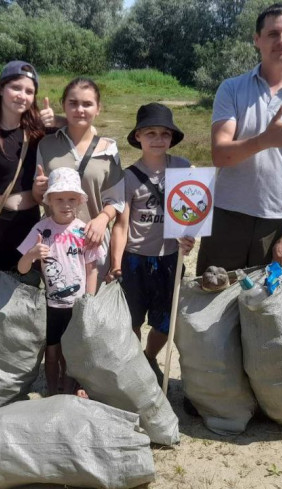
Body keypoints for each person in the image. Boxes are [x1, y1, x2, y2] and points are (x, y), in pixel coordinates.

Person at [198, 2, 282, 274]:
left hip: (276, 221)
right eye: (272, 34)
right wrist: (264, 140)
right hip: (226, 215)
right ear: (257, 40)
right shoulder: (231, 89)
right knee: (212, 296)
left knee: (264, 299)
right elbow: (220, 154)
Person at [107, 103, 195, 386]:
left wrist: (190, 235)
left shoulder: (183, 167)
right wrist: (116, 264)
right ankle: (135, 363)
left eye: (164, 133)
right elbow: (121, 225)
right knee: (131, 320)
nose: (158, 139)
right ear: (138, 137)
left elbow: (194, 210)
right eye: (151, 133)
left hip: (170, 258)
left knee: (166, 321)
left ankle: (149, 356)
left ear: (172, 137)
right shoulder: (128, 177)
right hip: (135, 259)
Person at [0, 61, 61, 284]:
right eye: (16, 88)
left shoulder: (37, 129)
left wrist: (58, 120)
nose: (22, 96)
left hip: (30, 223)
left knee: (29, 292)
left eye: (29, 91)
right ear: (1, 89)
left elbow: (85, 129)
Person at [17, 167, 101, 397]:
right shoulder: (41, 229)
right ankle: (53, 391)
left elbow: (92, 269)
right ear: (49, 201)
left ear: (80, 201)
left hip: (77, 305)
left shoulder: (84, 231)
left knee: (72, 352)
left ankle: (70, 389)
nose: (66, 205)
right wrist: (32, 254)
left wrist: (88, 302)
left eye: (71, 199)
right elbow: (22, 269)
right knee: (52, 352)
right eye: (59, 199)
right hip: (51, 306)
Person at [33, 77, 124, 283]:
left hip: (94, 242)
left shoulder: (109, 149)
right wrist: (37, 190)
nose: (80, 110)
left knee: (92, 301)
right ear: (63, 105)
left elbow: (116, 199)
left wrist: (102, 219)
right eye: (73, 103)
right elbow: (40, 198)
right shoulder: (46, 145)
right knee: (58, 299)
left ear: (98, 108)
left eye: (87, 104)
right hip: (56, 243)